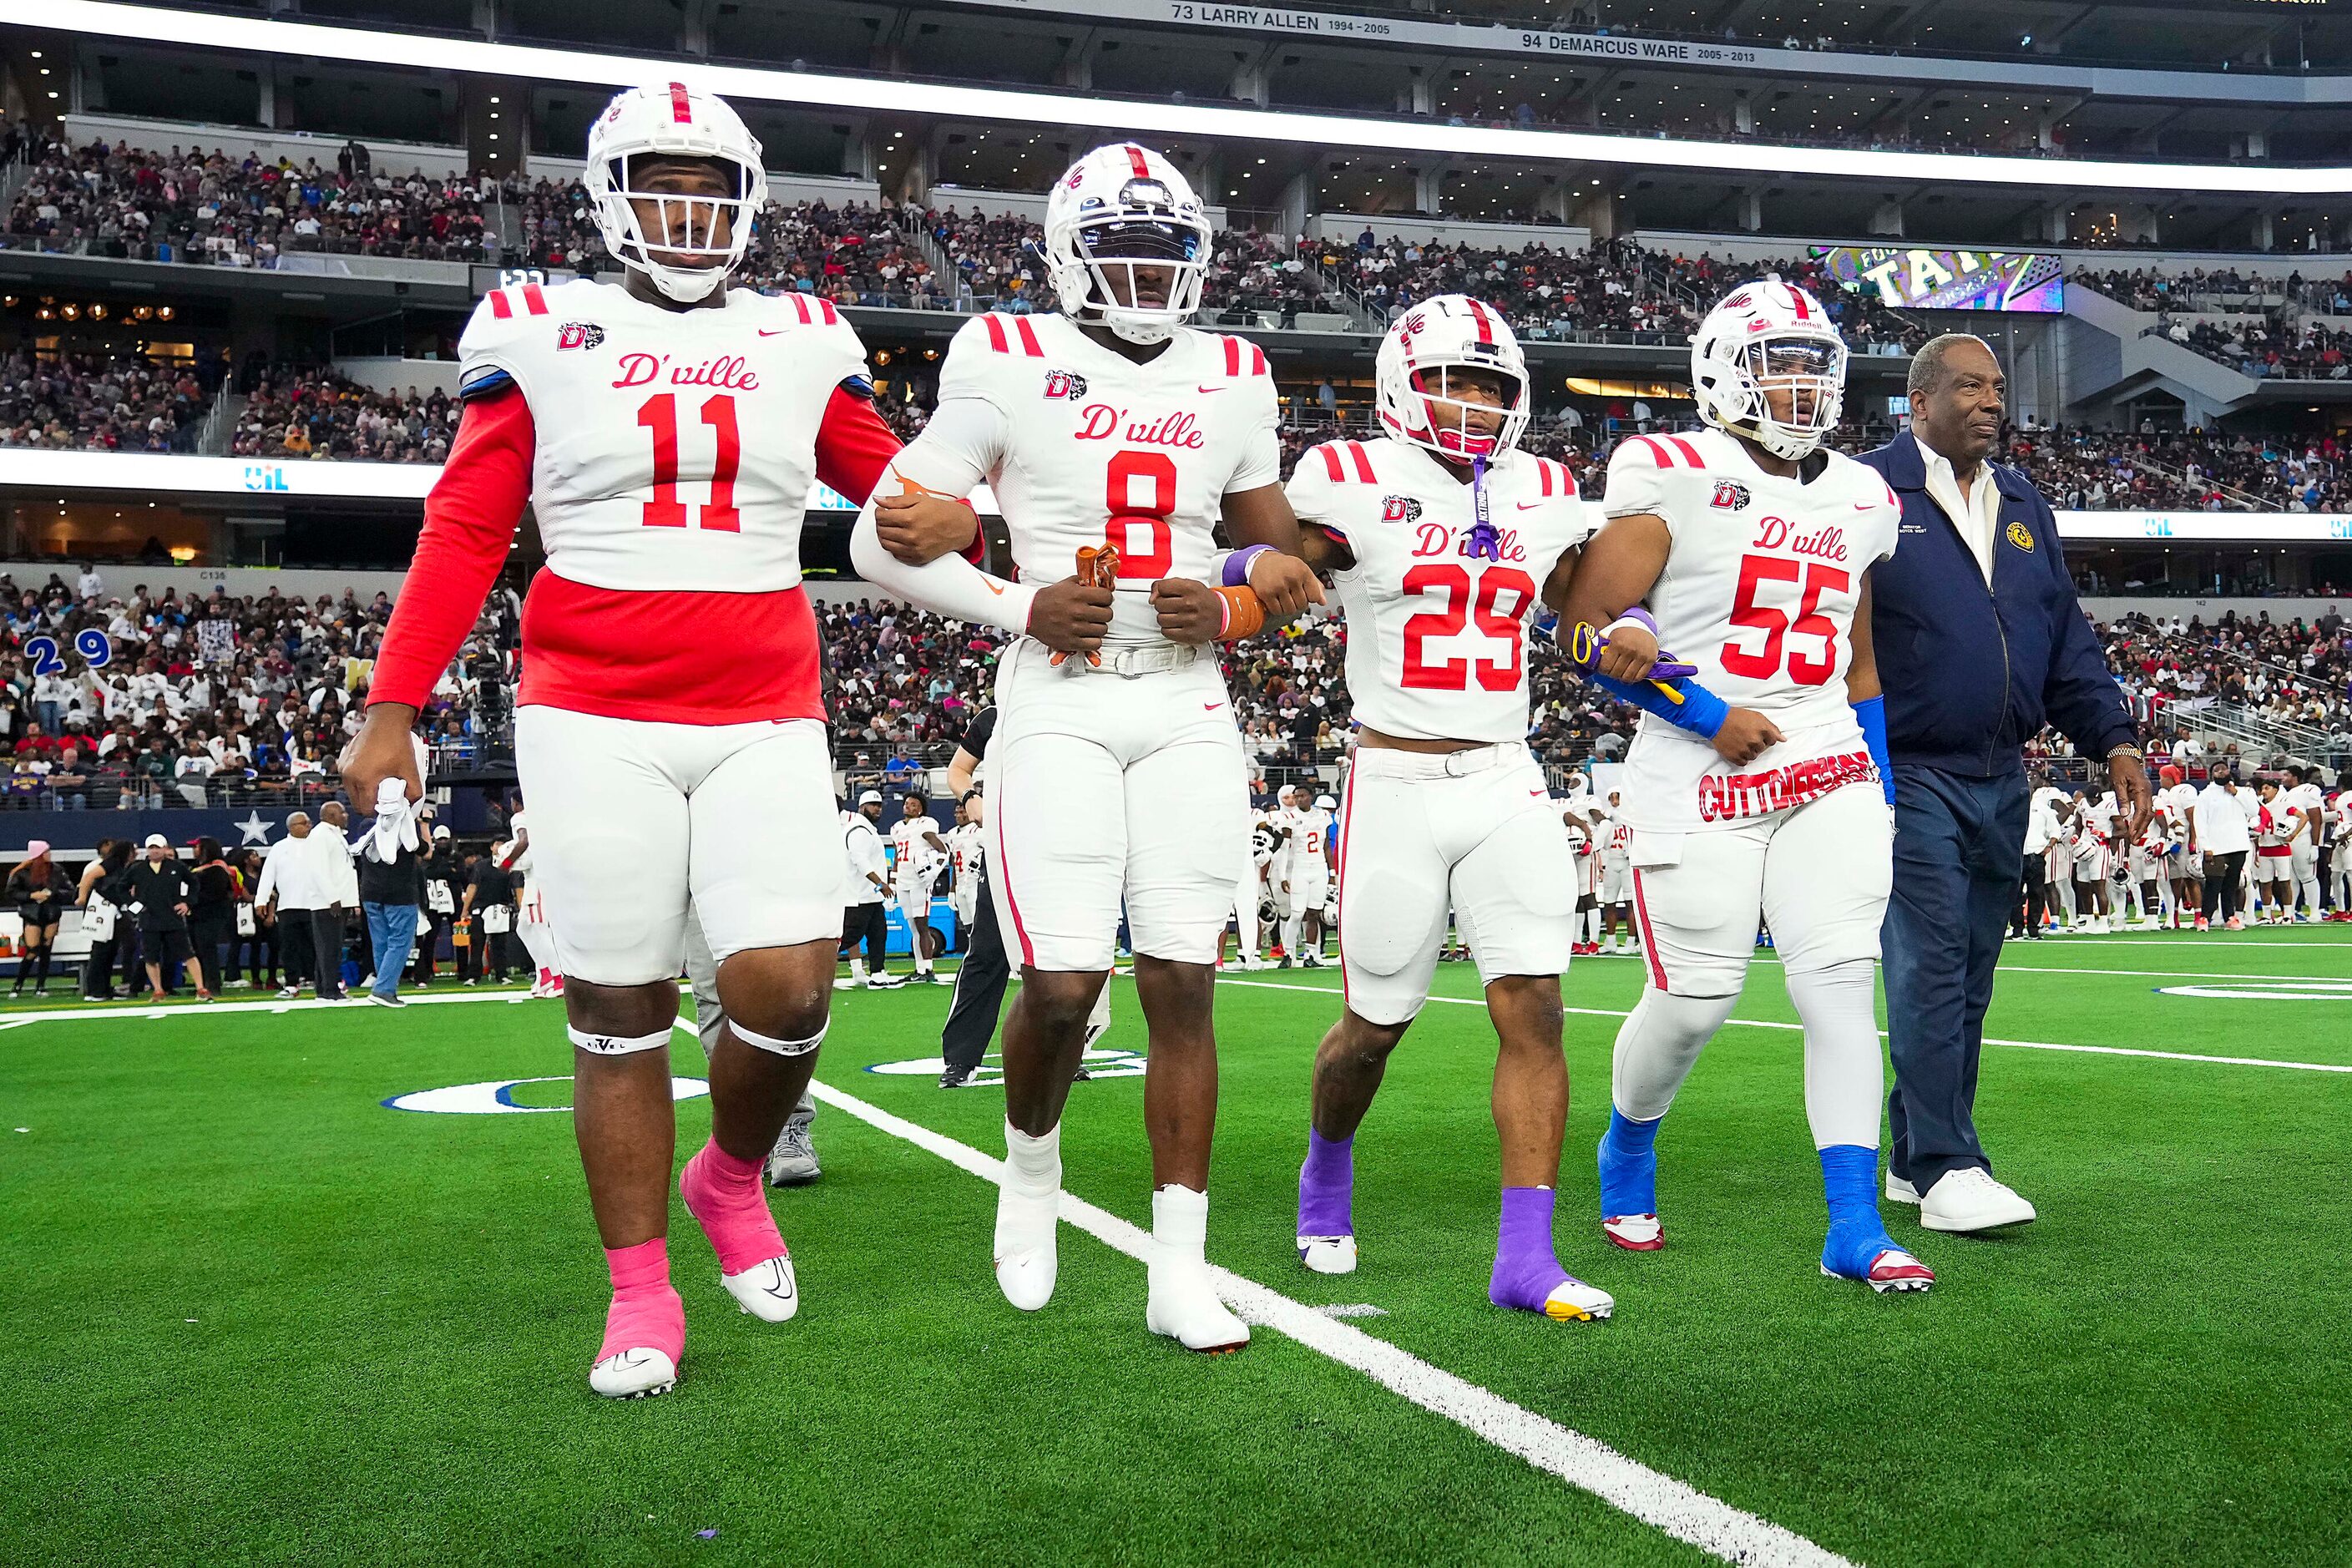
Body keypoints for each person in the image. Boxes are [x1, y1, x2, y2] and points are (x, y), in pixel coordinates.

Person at [341, 81, 968, 1401]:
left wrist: (956, 515)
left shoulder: (802, 329)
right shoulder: (539, 322)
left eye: (707, 185)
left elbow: (891, 487)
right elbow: (465, 525)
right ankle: (640, 1291)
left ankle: (728, 1175)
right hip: (590, 702)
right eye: (659, 184)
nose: (686, 210)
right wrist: (393, 704)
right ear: (612, 198)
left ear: (746, 201)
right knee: (618, 1010)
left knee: (792, 986)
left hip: (763, 701)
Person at [847, 140, 1322, 1352]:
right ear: (1069, 249)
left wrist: (1234, 602)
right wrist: (1016, 601)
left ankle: (1180, 1265)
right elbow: (876, 541)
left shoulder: (1236, 371)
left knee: (1181, 981)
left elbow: (1284, 570)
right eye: (1120, 244)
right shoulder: (1003, 353)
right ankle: (1031, 1162)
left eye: (1165, 247)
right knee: (1060, 987)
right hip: (1056, 690)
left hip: (1185, 700)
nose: (1145, 268)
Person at [1564, 278, 1930, 1293]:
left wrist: (1881, 776)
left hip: (1825, 760)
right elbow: (1584, 631)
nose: (1803, 384)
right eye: (1780, 363)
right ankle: (1628, 1146)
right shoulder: (1671, 469)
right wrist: (1705, 714)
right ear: (1722, 369)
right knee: (1694, 1003)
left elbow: (1857, 663)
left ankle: (1853, 1225)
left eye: (1817, 363)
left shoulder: (1862, 493)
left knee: (1839, 987)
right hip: (1697, 761)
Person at [1282, 293, 1614, 1322]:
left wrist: (1628, 626)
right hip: (1391, 777)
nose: (1472, 403)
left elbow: (1584, 608)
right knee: (1373, 1029)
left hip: (1506, 772)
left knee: (1540, 1008)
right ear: (1399, 384)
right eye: (1452, 380)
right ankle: (1325, 1172)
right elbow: (1289, 566)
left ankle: (1525, 1255)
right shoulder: (1346, 476)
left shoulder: (1549, 488)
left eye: (1490, 386)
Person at [1858, 331, 2145, 1233]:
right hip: (1906, 766)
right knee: (1933, 961)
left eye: (1999, 387)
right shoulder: (1864, 490)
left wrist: (2117, 738)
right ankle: (1950, 1164)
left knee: (1973, 970)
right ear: (1920, 403)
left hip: (2000, 772)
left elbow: (2063, 640)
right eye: (1971, 387)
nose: (1993, 402)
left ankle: (1912, 1150)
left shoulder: (2024, 501)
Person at [935, 706, 1112, 1088]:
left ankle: (1069, 1051)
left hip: (1071, 845)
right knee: (986, 953)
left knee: (1072, 953)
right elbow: (957, 770)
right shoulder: (995, 716)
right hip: (1007, 847)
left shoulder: (1083, 708)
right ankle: (961, 1059)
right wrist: (970, 798)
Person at [685, 905, 820, 1187]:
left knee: (779, 994)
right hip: (685, 875)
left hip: (756, 871)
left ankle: (789, 1127)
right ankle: (746, 1140)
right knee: (713, 996)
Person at [359, 778, 428, 1006]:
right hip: (399, 893)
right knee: (400, 941)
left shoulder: (367, 826)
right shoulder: (405, 827)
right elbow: (426, 852)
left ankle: (384, 986)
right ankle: (384, 989)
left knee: (380, 942)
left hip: (371, 892)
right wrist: (424, 824)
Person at [255, 812, 336, 1000]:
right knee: (289, 948)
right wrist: (261, 900)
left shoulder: (318, 846)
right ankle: (292, 985)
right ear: (292, 827)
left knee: (320, 947)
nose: (309, 826)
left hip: (315, 905)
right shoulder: (279, 848)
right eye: (304, 823)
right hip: (287, 906)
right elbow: (268, 875)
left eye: (309, 822)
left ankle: (325, 982)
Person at [127, 834, 210, 1003]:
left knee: (188, 954)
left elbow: (194, 884)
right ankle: (158, 990)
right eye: (151, 848)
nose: (155, 851)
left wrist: (187, 903)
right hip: (150, 920)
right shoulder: (138, 869)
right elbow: (122, 888)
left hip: (173, 919)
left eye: (158, 847)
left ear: (165, 849)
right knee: (151, 957)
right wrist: (134, 905)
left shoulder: (177, 867)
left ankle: (201, 988)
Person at [889, 792, 952, 985]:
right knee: (913, 928)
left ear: (921, 809)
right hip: (903, 882)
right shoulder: (896, 828)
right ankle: (920, 968)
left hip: (919, 882)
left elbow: (943, 850)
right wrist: (892, 882)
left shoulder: (926, 824)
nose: (909, 807)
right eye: (907, 803)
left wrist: (935, 871)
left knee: (922, 926)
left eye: (913, 804)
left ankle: (928, 968)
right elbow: (898, 857)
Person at [839, 791, 898, 990]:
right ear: (862, 807)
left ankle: (877, 973)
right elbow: (860, 860)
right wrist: (880, 883)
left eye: (879, 805)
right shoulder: (858, 830)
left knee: (878, 934)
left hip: (870, 896)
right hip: (859, 896)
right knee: (849, 937)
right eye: (873, 805)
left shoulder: (868, 829)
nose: (877, 809)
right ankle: (816, 970)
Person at [2194, 771, 2254, 931]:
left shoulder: (2243, 793)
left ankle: (2229, 917)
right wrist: (2205, 846)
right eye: (2217, 770)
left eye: (2224, 770)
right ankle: (2205, 918)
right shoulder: (2205, 795)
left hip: (2238, 844)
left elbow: (2254, 811)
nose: (2221, 773)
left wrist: (2236, 792)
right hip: (2215, 846)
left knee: (2232, 883)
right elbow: (2200, 821)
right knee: (2213, 883)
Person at [76, 839, 133, 1000]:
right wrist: (82, 897)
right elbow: (89, 875)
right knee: (101, 950)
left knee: (110, 950)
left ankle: (104, 987)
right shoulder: (111, 863)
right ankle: (94, 990)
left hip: (114, 911)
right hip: (103, 910)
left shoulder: (121, 866)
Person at [185, 837, 240, 998]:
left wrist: (190, 900)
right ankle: (201, 984)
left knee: (207, 949)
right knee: (199, 950)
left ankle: (213, 984)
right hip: (198, 916)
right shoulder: (198, 868)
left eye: (197, 847)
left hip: (211, 916)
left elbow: (215, 894)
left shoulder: (216, 869)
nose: (194, 850)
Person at [460, 841, 520, 984]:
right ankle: (474, 975)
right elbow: (472, 886)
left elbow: (517, 888)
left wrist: (520, 907)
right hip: (480, 907)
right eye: (497, 844)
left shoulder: (511, 867)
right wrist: (465, 909)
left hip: (500, 907)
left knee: (499, 943)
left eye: (503, 845)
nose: (500, 848)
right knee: (477, 942)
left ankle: (502, 974)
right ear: (491, 847)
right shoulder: (481, 866)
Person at [7, 840, 60, 997]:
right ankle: (18, 985)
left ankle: (41, 986)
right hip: (32, 914)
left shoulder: (56, 870)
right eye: (46, 852)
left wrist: (52, 894)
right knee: (32, 949)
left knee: (46, 949)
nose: (49, 855)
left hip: (51, 913)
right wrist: (31, 896)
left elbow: (68, 889)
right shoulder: (22, 872)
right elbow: (11, 893)